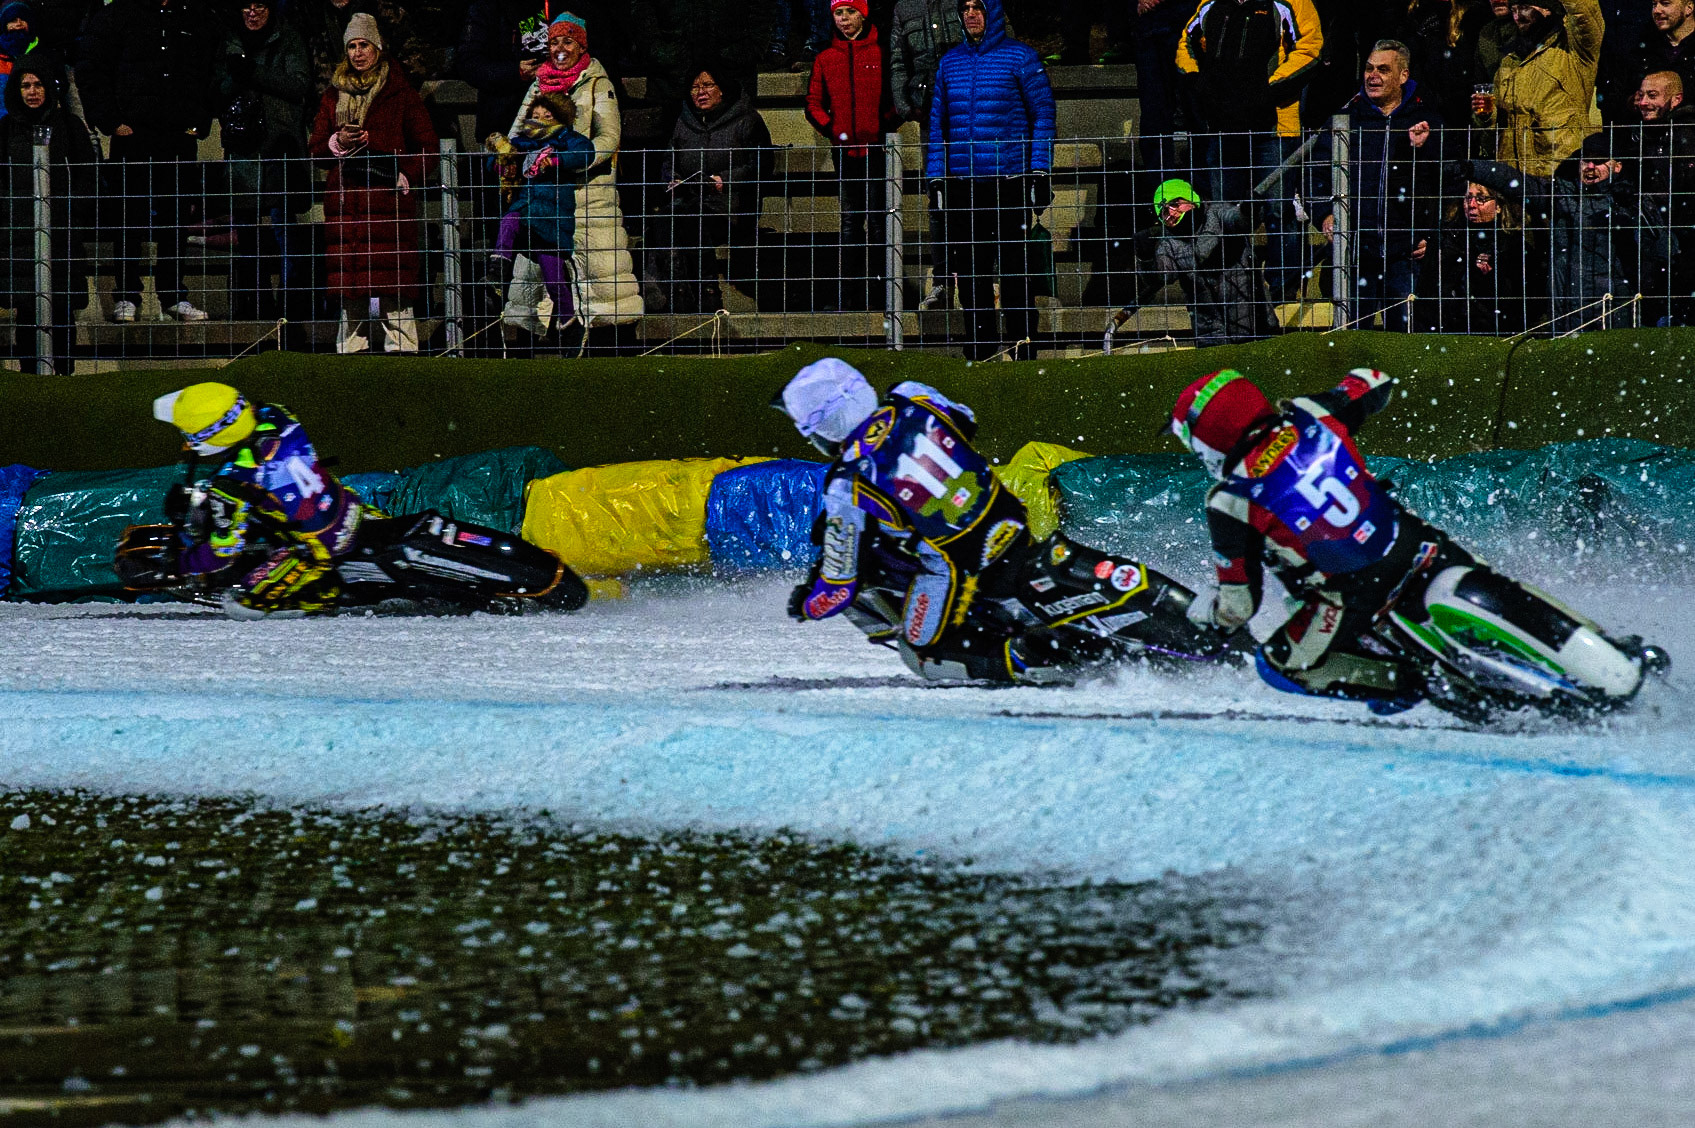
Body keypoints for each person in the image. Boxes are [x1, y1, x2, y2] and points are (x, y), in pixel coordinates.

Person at [777, 357, 1113, 682]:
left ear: (820, 428)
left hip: (959, 566)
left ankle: (1028, 661)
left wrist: (805, 605)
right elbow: (966, 420)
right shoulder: (910, 394)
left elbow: (839, 589)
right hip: (1009, 519)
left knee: (923, 647)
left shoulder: (846, 482)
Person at [1167, 366, 1480, 712]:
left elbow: (1239, 608)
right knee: (1478, 570)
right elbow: (1374, 382)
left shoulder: (1229, 499)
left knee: (1277, 665)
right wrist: (1352, 385)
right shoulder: (1310, 413)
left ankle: (1415, 682)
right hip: (1411, 539)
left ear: (1207, 440)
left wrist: (1210, 612)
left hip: (1352, 592)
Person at [150, 382, 375, 618]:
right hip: (349, 507)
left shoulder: (232, 482)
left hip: (316, 547)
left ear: (211, 435)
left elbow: (224, 551)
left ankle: (324, 593)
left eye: (188, 434)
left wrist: (178, 565)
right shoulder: (278, 414)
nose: (186, 442)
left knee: (241, 606)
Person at [76, 0, 223, 324]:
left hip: (178, 136)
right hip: (132, 136)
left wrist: (199, 121)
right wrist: (110, 121)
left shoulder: (195, 15)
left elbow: (212, 69)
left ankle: (173, 297)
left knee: (175, 220)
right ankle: (127, 295)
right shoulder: (117, 15)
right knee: (127, 218)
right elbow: (91, 67)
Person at [926, 0, 1055, 360]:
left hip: (1008, 181)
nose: (971, 14)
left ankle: (1022, 348)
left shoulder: (1020, 58)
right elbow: (938, 126)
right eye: (965, 7)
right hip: (964, 186)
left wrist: (1040, 170)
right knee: (969, 274)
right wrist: (936, 177)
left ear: (994, 12)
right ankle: (980, 350)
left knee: (1015, 273)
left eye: (978, 6)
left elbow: (1043, 112)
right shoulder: (949, 63)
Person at [504, 11, 643, 343]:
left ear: (581, 47)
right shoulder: (538, 85)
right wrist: (515, 160)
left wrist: (565, 161)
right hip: (543, 201)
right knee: (532, 292)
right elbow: (516, 135)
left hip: (588, 199)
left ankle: (612, 355)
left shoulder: (597, 84)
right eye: (554, 42)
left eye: (567, 41)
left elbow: (608, 139)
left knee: (601, 288)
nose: (560, 48)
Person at [1176, 0, 1324, 305]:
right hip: (1223, 128)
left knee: (1278, 211)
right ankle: (1233, 292)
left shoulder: (1291, 2)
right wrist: (1198, 82)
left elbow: (1310, 49)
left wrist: (1267, 93)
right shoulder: (1212, 3)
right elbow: (1185, 43)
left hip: (1274, 127)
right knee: (1224, 214)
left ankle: (1283, 293)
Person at [307, 12, 438, 353]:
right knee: (351, 286)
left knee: (393, 282)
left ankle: (403, 348)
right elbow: (317, 149)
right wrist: (339, 142)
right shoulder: (332, 96)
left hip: (387, 201)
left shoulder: (401, 94)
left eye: (364, 44)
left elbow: (428, 148)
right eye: (351, 46)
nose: (357, 52)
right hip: (346, 205)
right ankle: (351, 350)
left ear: (377, 47)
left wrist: (405, 173)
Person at [1311, 39, 1447, 331]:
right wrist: (1323, 214)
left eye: (1383, 69)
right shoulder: (1344, 119)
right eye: (1369, 68)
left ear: (1403, 76)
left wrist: (1430, 234)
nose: (1373, 76)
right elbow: (1314, 174)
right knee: (1353, 339)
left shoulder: (1427, 121)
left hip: (1407, 252)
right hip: (1357, 251)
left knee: (1406, 342)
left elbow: (1445, 183)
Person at [215, 0, 313, 322]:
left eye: (259, 6)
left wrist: (252, 72)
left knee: (285, 231)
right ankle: (255, 307)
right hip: (243, 151)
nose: (252, 13)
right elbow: (216, 91)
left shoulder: (289, 39)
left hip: (279, 150)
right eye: (245, 6)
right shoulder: (227, 41)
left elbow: (298, 85)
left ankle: (291, 308)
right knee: (246, 236)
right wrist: (235, 76)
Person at [645, 63, 770, 314]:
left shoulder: (747, 120)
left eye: (707, 85)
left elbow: (761, 165)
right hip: (687, 202)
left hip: (730, 207)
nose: (700, 91)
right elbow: (669, 161)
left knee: (691, 221)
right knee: (664, 220)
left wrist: (723, 180)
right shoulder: (683, 122)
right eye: (694, 87)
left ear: (721, 90)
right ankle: (674, 294)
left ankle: (708, 293)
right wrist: (673, 179)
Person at [0, 59, 96, 374]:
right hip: (21, 237)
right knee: (27, 313)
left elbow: (87, 176)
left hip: (62, 235)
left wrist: (73, 210)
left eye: (38, 84)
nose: (32, 92)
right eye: (25, 85)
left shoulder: (70, 126)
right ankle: (32, 381)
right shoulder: (4, 131)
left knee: (62, 310)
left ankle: (64, 379)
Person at [485, 91, 598, 337]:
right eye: (535, 115)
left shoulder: (567, 139)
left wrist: (556, 160)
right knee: (509, 220)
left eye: (547, 115)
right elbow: (495, 161)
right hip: (526, 209)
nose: (540, 119)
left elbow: (586, 153)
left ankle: (570, 325)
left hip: (552, 218)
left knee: (554, 277)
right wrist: (501, 161)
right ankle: (498, 264)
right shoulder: (523, 142)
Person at [807, 0, 895, 308]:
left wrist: (883, 126)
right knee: (849, 223)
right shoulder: (826, 58)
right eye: (838, 13)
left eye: (850, 12)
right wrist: (835, 130)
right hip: (844, 152)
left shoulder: (881, 53)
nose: (844, 19)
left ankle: (883, 296)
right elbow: (813, 104)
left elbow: (894, 96)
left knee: (878, 222)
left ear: (863, 14)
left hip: (876, 150)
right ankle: (849, 298)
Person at [1117, 178, 1274, 345]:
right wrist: (1145, 257)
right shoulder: (1169, 241)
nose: (1170, 213)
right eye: (1163, 212)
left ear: (1189, 198)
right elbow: (1161, 277)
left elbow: (1238, 220)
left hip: (1252, 322)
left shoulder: (1218, 213)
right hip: (1210, 333)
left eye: (1174, 204)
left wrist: (1249, 211)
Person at [1543, 131, 1658, 332]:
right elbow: (1519, 183)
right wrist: (1475, 169)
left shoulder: (1635, 200)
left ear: (1618, 166)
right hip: (1570, 306)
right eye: (1586, 160)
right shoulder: (1561, 195)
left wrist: (1636, 211)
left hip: (1617, 307)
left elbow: (1664, 250)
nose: (1590, 167)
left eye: (1598, 161)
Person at [1477, 0, 1603, 176]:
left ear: (1547, 9)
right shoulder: (1509, 61)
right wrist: (1487, 116)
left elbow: (1585, 13)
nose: (1517, 17)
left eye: (1524, 7)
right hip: (1513, 173)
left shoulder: (1574, 51)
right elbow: (1497, 127)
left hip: (1560, 171)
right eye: (1513, 9)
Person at [1417, 160, 1543, 333]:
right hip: (1445, 329)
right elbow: (1430, 290)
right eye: (1468, 198)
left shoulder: (1513, 246)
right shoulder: (1449, 235)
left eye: (1481, 199)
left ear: (1499, 206)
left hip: (1491, 331)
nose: (1472, 205)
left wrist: (1491, 276)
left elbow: (1522, 301)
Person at [1624, 69, 1695, 322]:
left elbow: (1676, 190)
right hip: (1661, 241)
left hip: (1680, 241)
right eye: (1641, 95)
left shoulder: (1684, 135)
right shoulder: (1645, 133)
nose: (1643, 102)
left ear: (1675, 99)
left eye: (1652, 95)